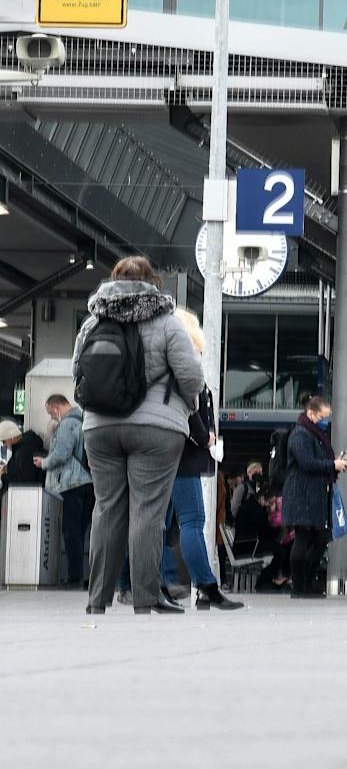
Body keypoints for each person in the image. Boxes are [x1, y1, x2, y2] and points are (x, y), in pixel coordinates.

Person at [77, 255, 203, 616]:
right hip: (156, 429)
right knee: (147, 510)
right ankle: (146, 597)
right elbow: (192, 378)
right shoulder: (167, 322)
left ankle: (96, 599)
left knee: (106, 509)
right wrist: (186, 408)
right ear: (154, 282)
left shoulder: (92, 322)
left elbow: (77, 371)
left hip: (99, 427)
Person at [158, 308, 243, 612]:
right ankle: (205, 587)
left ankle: (159, 584)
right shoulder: (182, 364)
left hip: (167, 455)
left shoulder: (163, 363)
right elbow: (189, 406)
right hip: (184, 457)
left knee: (159, 523)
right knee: (193, 522)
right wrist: (204, 436)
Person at [283, 392, 347, 598]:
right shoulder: (301, 434)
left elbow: (317, 463)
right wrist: (332, 464)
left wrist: (336, 465)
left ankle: (308, 582)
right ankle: (299, 586)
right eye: (323, 417)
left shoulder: (315, 434)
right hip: (301, 494)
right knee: (303, 537)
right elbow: (307, 463)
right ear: (311, 414)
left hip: (315, 494)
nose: (326, 422)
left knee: (321, 538)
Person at [40, 395, 93, 587]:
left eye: (50, 413)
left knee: (72, 532)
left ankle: (75, 576)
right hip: (89, 482)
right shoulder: (84, 420)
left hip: (72, 484)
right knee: (82, 531)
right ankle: (85, 575)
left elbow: (61, 454)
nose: (52, 417)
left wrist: (44, 463)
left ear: (55, 408)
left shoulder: (68, 424)